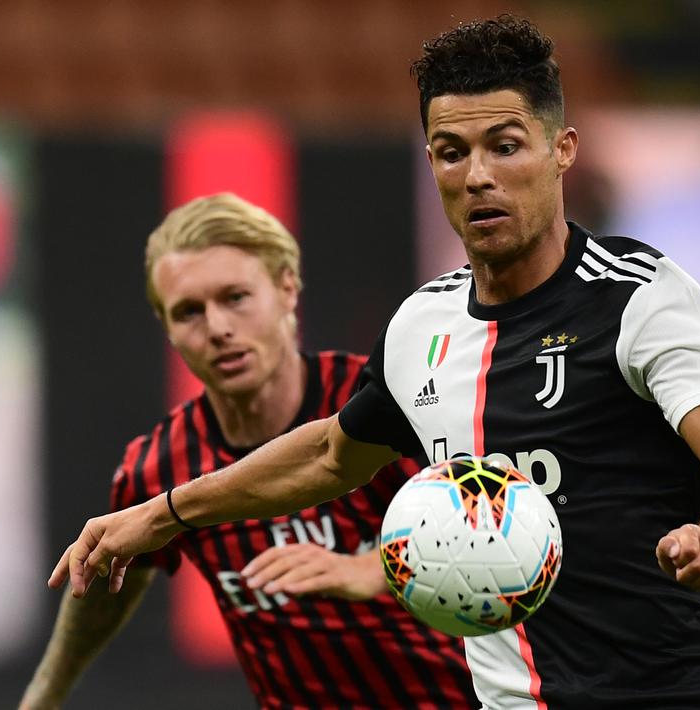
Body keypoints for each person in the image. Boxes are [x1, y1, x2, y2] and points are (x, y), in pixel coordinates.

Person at [51, 16, 700, 709]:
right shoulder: (423, 324)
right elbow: (325, 455)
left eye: (504, 146)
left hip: (679, 692)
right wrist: (161, 515)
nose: (477, 176)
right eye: (451, 152)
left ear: (559, 150)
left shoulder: (641, 299)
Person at [23, 193, 476, 708]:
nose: (217, 328)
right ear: (167, 330)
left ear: (287, 290)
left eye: (235, 297)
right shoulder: (157, 468)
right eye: (189, 312)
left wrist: (372, 569)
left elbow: (497, 532)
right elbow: (104, 586)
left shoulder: (388, 403)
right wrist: (44, 694)